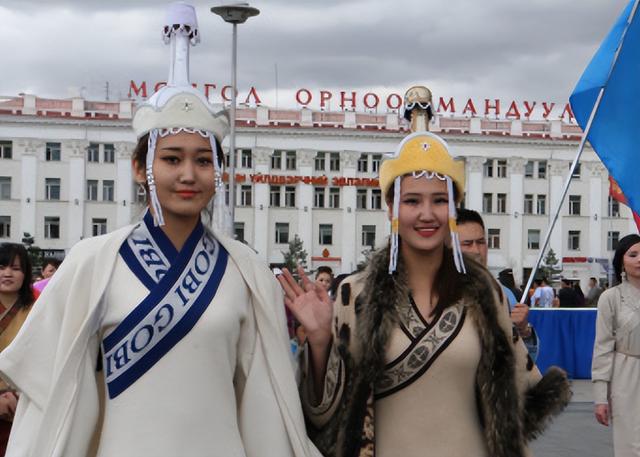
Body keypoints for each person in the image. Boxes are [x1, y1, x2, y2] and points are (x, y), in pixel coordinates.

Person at [0, 5, 320, 457]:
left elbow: (267, 400)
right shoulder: (94, 260)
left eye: (203, 160)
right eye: (171, 158)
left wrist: (320, 340)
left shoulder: (245, 268)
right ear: (139, 167)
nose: (188, 174)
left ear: (219, 172)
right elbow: (52, 387)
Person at [279, 126, 570, 457]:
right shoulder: (355, 294)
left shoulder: (485, 292)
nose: (427, 214)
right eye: (412, 200)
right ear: (391, 208)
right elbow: (327, 414)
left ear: (453, 210)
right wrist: (318, 341)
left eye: (440, 200)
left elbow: (522, 400)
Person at [456, 208, 538, 361]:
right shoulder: (431, 294)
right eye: (467, 244)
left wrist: (524, 331)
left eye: (481, 242)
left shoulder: (504, 295)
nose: (477, 251)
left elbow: (525, 362)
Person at [592, 234, 640, 457]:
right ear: (622, 260)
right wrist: (601, 397)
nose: (639, 259)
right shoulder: (610, 298)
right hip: (625, 376)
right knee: (631, 445)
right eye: (633, 254)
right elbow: (602, 348)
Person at [0, 244, 36, 456]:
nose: (7, 273)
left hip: (23, 405)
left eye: (15, 268)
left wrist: (18, 395)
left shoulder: (38, 310)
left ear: (26, 274)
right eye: (2, 266)